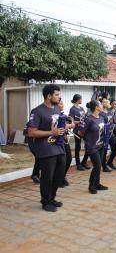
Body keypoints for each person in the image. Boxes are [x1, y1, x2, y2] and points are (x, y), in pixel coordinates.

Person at [28, 84, 71, 212]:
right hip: (46, 149)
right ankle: (45, 201)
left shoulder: (56, 110)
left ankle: (52, 198)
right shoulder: (37, 111)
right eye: (57, 95)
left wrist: (63, 135)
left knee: (59, 176)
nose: (59, 97)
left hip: (59, 148)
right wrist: (52, 133)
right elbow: (31, 132)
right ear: (49, 96)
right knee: (47, 177)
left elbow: (59, 127)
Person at [79, 100, 109, 194]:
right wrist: (88, 139)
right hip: (92, 147)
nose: (102, 105)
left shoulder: (101, 117)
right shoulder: (88, 119)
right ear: (96, 107)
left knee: (99, 166)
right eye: (100, 104)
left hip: (100, 145)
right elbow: (80, 132)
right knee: (97, 165)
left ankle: (97, 183)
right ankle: (91, 185)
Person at [69, 94, 89, 171]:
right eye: (81, 99)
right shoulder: (72, 109)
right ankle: (78, 164)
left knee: (88, 145)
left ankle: (84, 162)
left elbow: (84, 117)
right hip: (77, 130)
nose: (81, 100)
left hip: (83, 129)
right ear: (77, 100)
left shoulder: (82, 108)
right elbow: (71, 120)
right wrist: (78, 122)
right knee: (78, 147)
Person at [58, 99, 74, 188]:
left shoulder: (64, 115)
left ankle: (63, 176)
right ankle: (59, 179)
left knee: (69, 159)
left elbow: (72, 125)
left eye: (62, 103)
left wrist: (69, 124)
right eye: (60, 104)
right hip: (57, 141)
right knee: (61, 161)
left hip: (65, 140)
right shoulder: (54, 115)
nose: (62, 105)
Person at [104, 99, 116, 170]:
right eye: (104, 102)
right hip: (104, 134)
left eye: (115, 104)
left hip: (111, 133)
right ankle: (104, 166)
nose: (114, 105)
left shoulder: (113, 112)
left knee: (115, 149)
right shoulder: (103, 113)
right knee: (104, 150)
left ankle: (109, 162)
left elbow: (115, 122)